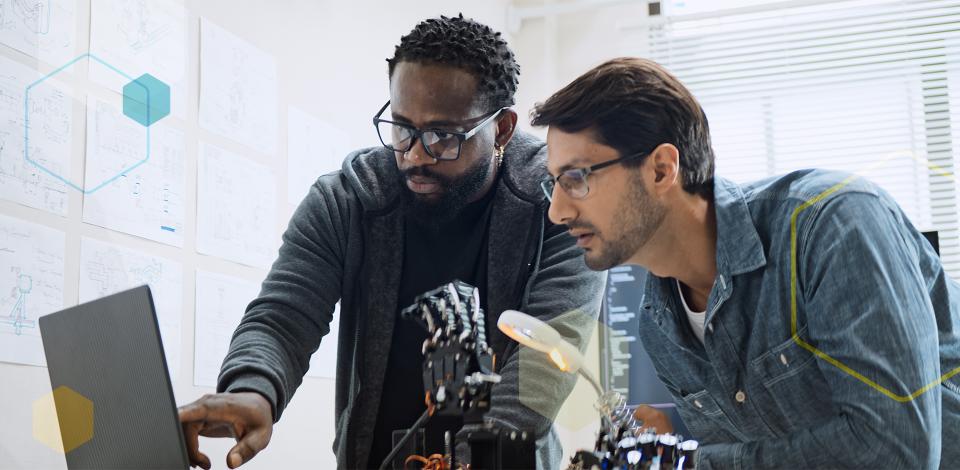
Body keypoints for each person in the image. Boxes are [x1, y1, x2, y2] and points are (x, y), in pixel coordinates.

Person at [177, 15, 604, 470]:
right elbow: (284, 316)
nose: (416, 156)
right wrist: (254, 389)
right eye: (402, 128)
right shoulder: (347, 199)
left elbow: (540, 368)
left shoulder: (557, 201)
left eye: (443, 136)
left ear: (501, 129)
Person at [530, 57, 960, 469]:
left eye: (577, 178)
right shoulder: (659, 326)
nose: (557, 211)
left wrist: (685, 464)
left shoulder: (832, 225)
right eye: (555, 184)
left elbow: (897, 450)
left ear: (661, 170)